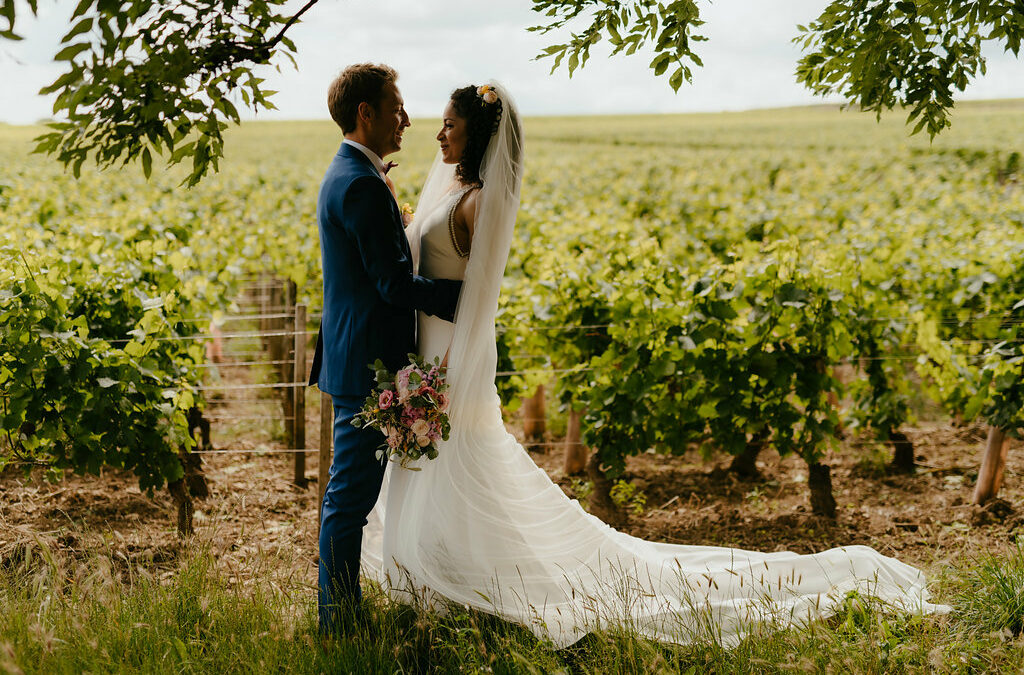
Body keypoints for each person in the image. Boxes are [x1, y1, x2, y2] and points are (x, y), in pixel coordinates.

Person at [360, 81, 949, 648]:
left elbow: (475, 297)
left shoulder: (480, 201)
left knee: (461, 464)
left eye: (451, 125)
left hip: (451, 361)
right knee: (448, 469)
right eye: (440, 123)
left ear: (478, 134)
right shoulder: (454, 192)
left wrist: (450, 369)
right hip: (430, 354)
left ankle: (460, 580)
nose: (440, 134)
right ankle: (447, 575)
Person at [308, 63, 463, 637]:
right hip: (364, 363)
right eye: (396, 107)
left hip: (357, 354)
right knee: (349, 499)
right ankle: (338, 624)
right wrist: (463, 298)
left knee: (349, 495)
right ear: (365, 114)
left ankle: (340, 614)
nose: (406, 118)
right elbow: (394, 285)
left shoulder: (357, 174)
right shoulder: (359, 184)